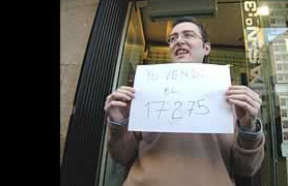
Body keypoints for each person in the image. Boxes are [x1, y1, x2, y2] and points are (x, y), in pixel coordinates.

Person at [104, 16, 265, 186]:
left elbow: (246, 169)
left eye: (188, 35)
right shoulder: (145, 92)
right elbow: (122, 157)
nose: (179, 41)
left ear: (206, 47)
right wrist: (118, 122)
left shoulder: (233, 99)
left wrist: (249, 127)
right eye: (173, 38)